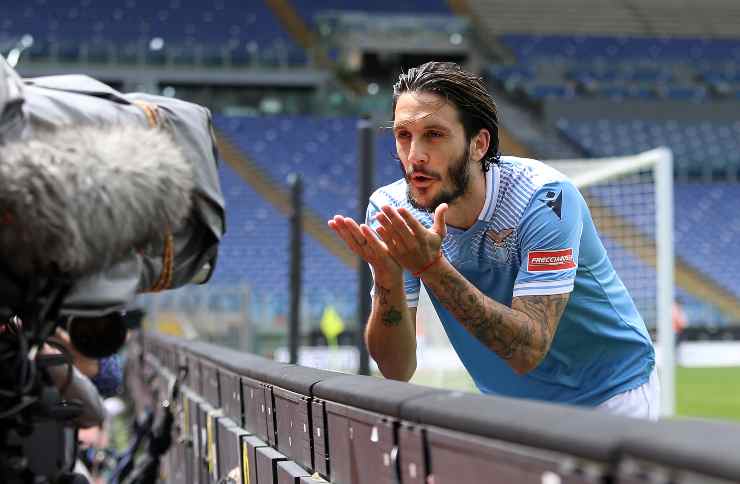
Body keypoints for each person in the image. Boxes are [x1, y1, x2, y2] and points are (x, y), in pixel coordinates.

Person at [328, 61, 659, 419]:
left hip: (608, 397)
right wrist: (387, 277)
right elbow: (396, 371)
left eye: (434, 135)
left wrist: (430, 268)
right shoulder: (390, 209)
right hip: (507, 408)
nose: (414, 155)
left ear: (478, 144)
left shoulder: (545, 199)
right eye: (403, 135)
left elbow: (528, 349)